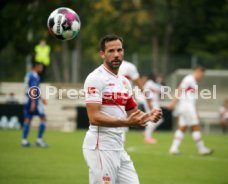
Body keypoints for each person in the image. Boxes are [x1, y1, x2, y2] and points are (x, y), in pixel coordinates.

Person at [82, 35, 162, 184]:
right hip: (101, 147)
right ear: (102, 54)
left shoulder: (124, 82)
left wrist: (148, 116)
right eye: (111, 51)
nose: (116, 54)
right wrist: (125, 122)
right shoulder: (95, 78)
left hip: (118, 147)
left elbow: (134, 113)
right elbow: (94, 117)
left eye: (119, 50)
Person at [168, 66, 213, 155]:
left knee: (182, 127)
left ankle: (173, 148)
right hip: (187, 108)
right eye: (202, 74)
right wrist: (173, 102)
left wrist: (196, 111)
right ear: (198, 71)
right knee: (196, 126)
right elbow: (179, 89)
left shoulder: (194, 83)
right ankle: (201, 149)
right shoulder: (189, 79)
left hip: (186, 108)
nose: (202, 77)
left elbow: (193, 99)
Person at [21, 61, 48, 148]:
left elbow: (35, 89)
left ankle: (24, 140)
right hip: (32, 100)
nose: (42, 68)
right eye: (40, 66)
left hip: (27, 99)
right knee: (43, 118)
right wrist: (33, 102)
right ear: (36, 66)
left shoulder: (29, 74)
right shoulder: (34, 76)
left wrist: (42, 98)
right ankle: (39, 140)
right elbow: (33, 89)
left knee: (28, 119)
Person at [143, 74, 164, 144]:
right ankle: (147, 137)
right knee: (154, 119)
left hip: (154, 103)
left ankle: (147, 133)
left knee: (158, 119)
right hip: (151, 102)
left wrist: (160, 83)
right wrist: (149, 103)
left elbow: (161, 90)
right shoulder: (149, 83)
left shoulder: (154, 84)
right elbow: (147, 93)